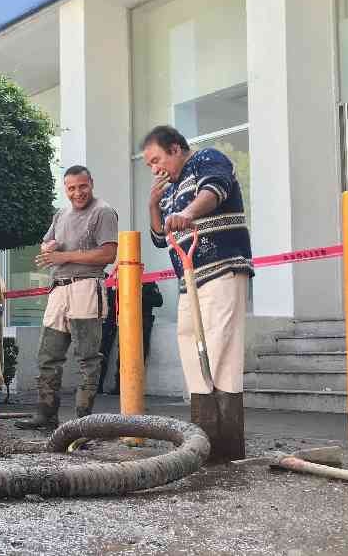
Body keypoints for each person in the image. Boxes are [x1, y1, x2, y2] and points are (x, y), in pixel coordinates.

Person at [142, 125, 253, 462]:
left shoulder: (208, 158)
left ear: (176, 148)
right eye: (148, 165)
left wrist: (187, 213)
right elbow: (162, 238)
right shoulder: (172, 188)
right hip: (191, 279)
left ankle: (225, 443)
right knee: (190, 347)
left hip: (221, 268)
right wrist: (154, 206)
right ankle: (205, 434)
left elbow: (216, 188)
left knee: (220, 350)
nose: (154, 168)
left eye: (157, 159)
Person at [17, 166, 118, 430]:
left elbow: (108, 255)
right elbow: (46, 244)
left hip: (86, 286)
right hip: (58, 288)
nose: (77, 193)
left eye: (82, 186)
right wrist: (49, 247)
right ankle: (46, 414)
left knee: (87, 356)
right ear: (66, 189)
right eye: (71, 188)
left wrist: (64, 256)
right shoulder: (61, 214)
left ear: (91, 183)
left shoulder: (103, 211)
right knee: (47, 355)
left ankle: (83, 420)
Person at [97, 281, 164, 395]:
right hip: (115, 319)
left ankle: (127, 388)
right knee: (105, 351)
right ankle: (102, 387)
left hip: (141, 320)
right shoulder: (115, 281)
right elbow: (107, 301)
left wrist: (137, 294)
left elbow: (158, 301)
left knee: (136, 354)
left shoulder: (147, 282)